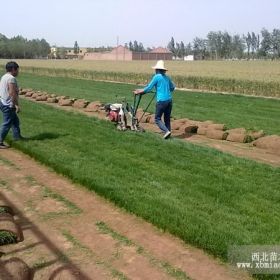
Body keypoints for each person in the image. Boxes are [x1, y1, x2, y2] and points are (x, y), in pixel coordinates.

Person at [134, 60, 175, 139]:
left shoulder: (156, 77)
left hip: (161, 101)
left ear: (158, 70)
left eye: (156, 69)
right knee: (167, 118)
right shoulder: (167, 77)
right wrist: (164, 89)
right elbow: (172, 88)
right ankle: (168, 132)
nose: (155, 70)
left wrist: (139, 91)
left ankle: (166, 131)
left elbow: (149, 88)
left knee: (157, 118)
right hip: (169, 100)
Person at [0, 61, 23, 149]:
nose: (18, 72)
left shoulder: (4, 77)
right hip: (8, 104)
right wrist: (14, 105)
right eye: (17, 70)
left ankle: (17, 137)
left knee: (15, 122)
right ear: (13, 69)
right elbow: (12, 93)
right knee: (7, 123)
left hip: (2, 101)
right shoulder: (11, 79)